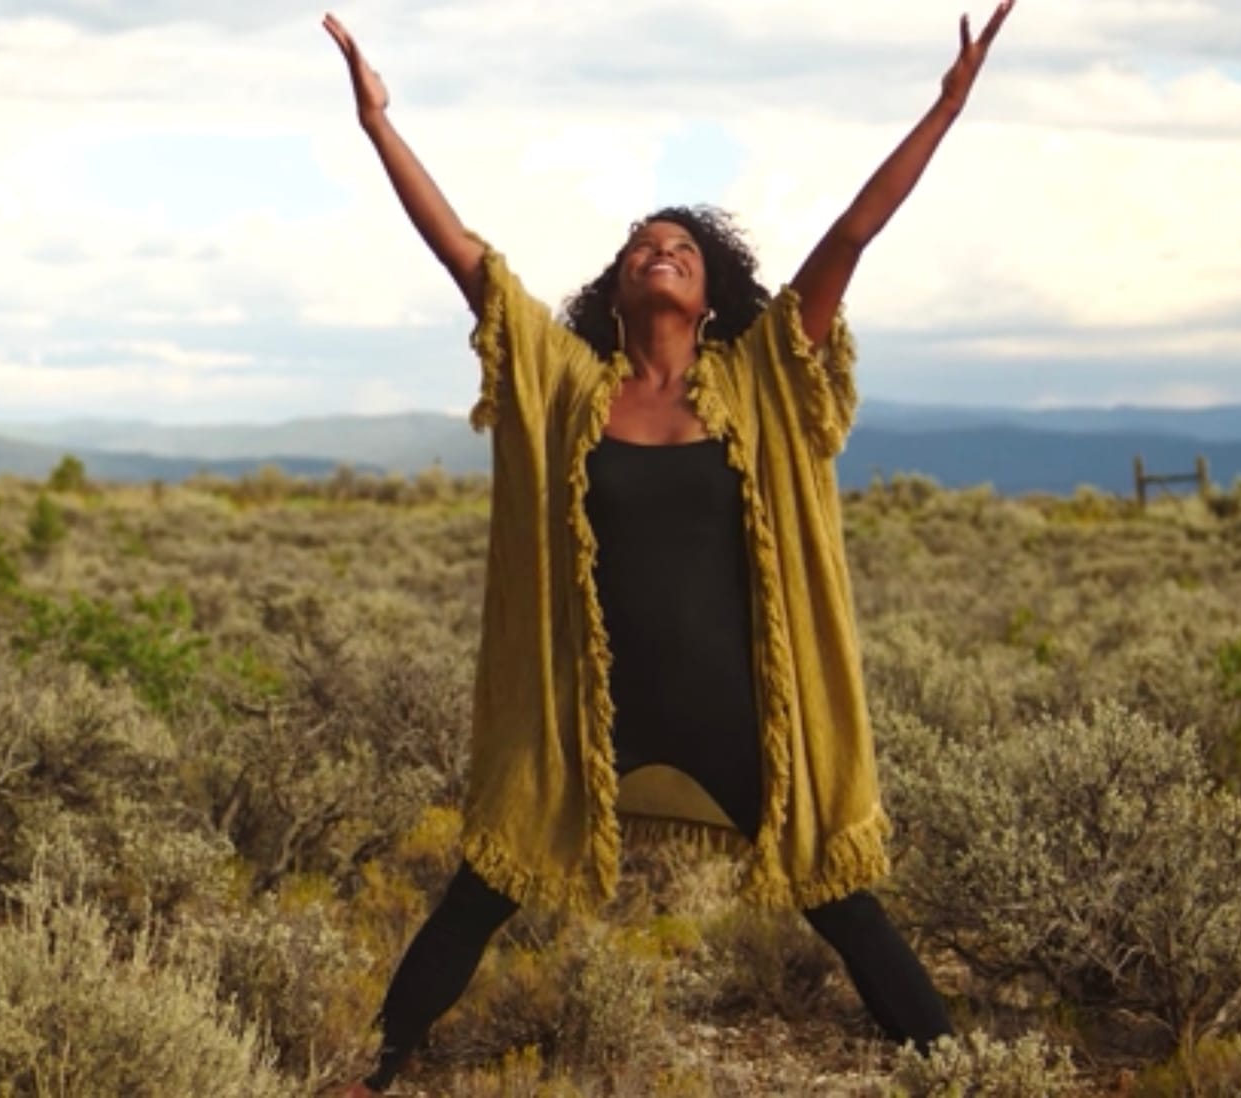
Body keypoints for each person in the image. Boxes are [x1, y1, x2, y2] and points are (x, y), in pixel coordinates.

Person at [323, 5, 1016, 1092]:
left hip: (735, 710)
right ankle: (368, 1070)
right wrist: (377, 126)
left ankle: (962, 1074)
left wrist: (944, 107)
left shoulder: (758, 381)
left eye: (683, 248)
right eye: (646, 244)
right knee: (483, 883)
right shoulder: (565, 388)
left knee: (838, 896)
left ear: (710, 291)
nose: (662, 252)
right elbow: (470, 261)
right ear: (620, 281)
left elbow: (849, 237)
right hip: (588, 712)